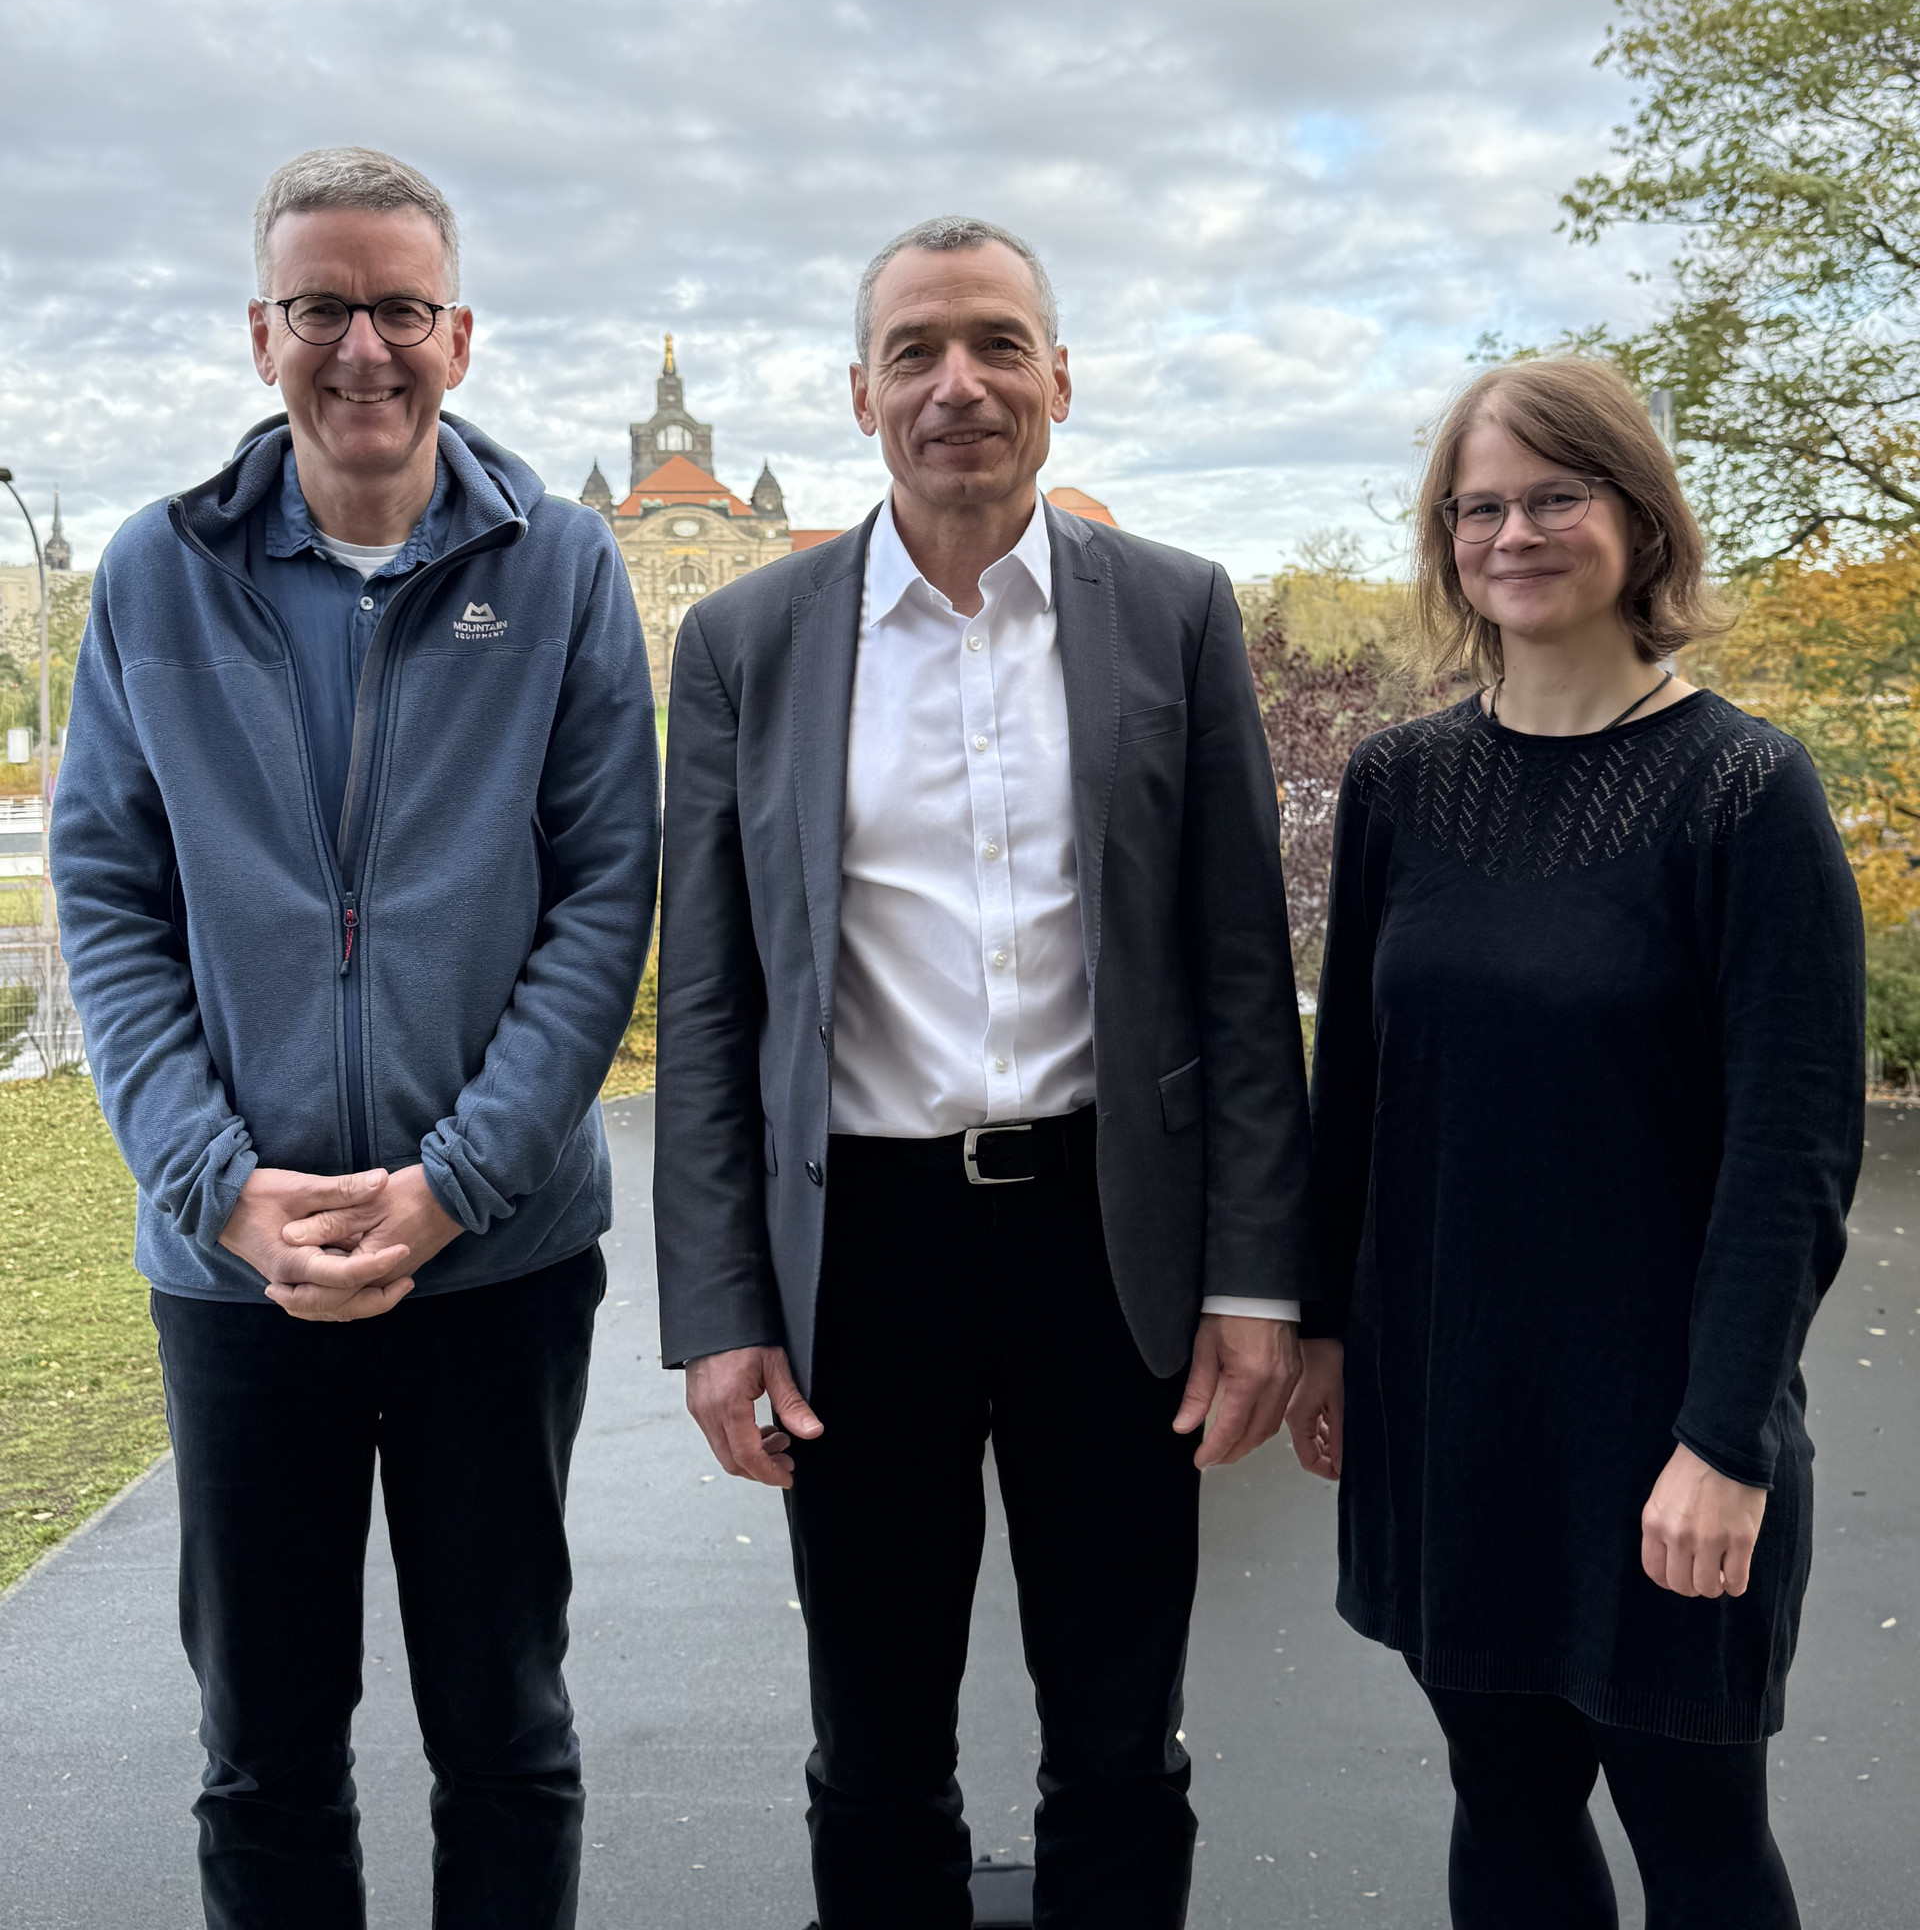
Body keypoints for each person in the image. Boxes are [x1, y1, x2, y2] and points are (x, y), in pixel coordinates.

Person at [652, 215, 1314, 1930]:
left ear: (1060, 380)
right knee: (872, 1745)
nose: (961, 384)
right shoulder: (749, 641)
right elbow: (716, 1002)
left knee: (1117, 1737)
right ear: (860, 391)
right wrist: (720, 1307)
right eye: (921, 350)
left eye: (1000, 344)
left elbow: (1244, 972)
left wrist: (1257, 1278)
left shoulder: (1170, 610)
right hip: (859, 1258)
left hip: (1115, 1243)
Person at [52, 146, 658, 1930]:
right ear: (265, 333)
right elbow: (109, 903)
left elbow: (599, 900)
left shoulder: (560, 566)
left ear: (459, 336)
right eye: (325, 307)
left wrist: (456, 1184)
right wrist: (218, 1186)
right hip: (239, 1271)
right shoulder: (155, 575)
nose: (365, 348)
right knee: (266, 1752)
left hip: (495, 1263)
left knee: (506, 1731)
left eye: (402, 308)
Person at [1285, 355, 1864, 1930]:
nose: (1514, 533)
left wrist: (1727, 1442)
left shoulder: (1744, 791)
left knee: (1699, 1838)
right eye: (1482, 505)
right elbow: (1360, 1086)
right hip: (1453, 1405)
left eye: (1557, 495)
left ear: (1639, 519)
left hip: (1665, 1426)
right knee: (1507, 1806)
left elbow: (1793, 1151)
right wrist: (1325, 1330)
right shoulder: (1401, 782)